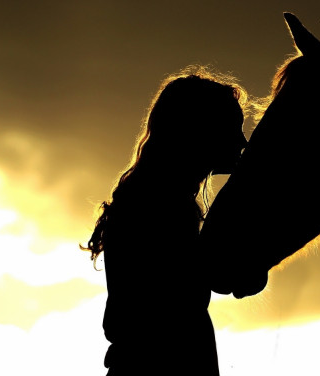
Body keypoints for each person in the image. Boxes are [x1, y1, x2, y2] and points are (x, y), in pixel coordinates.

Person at [81, 67, 248, 375]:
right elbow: (176, 306)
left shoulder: (152, 198)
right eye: (232, 128)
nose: (242, 141)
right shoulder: (161, 206)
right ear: (200, 131)